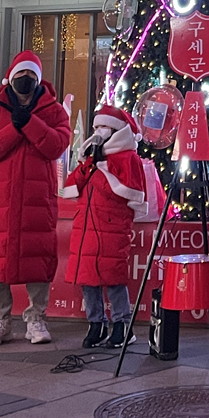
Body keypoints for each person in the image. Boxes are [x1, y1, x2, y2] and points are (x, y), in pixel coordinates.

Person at [0, 51, 71, 346]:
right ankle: (0, 322)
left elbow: (56, 145)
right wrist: (15, 127)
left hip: (36, 198)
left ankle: (36, 320)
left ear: (39, 80)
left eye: (30, 77)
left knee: (37, 258)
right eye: (20, 76)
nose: (24, 81)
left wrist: (29, 123)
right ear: (10, 78)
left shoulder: (53, 111)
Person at [63, 104, 146, 348]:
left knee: (113, 278)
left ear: (117, 131)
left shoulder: (129, 158)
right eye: (96, 126)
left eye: (105, 127)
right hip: (86, 226)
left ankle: (122, 325)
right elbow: (72, 186)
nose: (99, 131)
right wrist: (89, 162)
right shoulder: (92, 156)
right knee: (88, 278)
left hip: (112, 226)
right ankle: (96, 324)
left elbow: (128, 192)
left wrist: (101, 169)